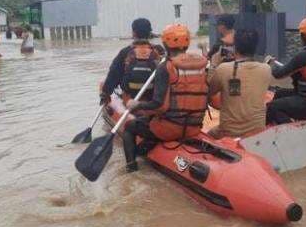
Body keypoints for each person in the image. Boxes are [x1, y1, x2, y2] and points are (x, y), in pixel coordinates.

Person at [122, 23, 208, 172]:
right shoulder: (202, 66)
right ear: (187, 43)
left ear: (165, 43)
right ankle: (146, 149)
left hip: (169, 129)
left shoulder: (165, 68)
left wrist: (136, 104)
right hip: (194, 127)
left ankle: (131, 168)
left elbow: (159, 105)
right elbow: (213, 100)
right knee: (149, 121)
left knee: (129, 127)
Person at [207, 29, 272, 138]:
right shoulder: (266, 69)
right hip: (257, 130)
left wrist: (213, 65)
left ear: (235, 47)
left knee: (208, 137)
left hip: (228, 132)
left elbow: (208, 91)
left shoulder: (224, 69)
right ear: (255, 47)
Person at [99, 18, 164, 104]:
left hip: (130, 98)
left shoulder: (125, 52)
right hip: (154, 97)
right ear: (149, 33)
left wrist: (105, 93)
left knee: (103, 84)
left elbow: (113, 75)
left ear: (133, 33)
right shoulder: (159, 50)